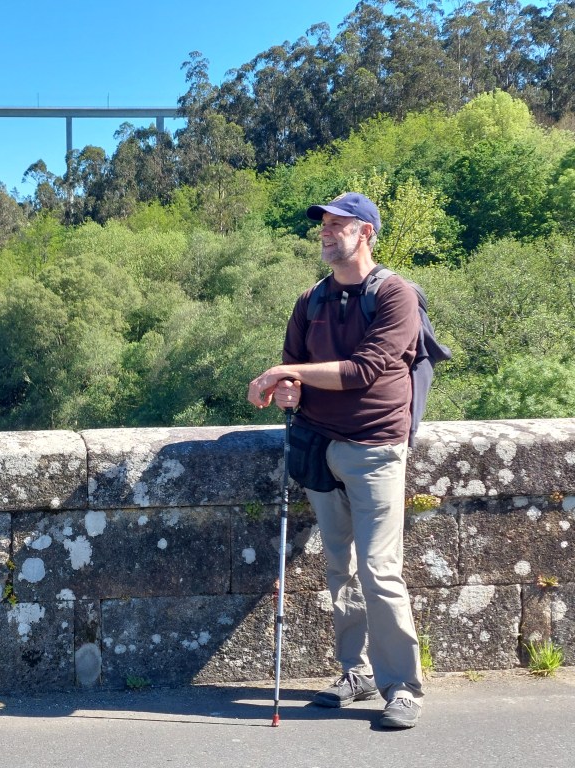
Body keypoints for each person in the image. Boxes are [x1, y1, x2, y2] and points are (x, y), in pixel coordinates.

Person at [246, 192, 424, 729]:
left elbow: (365, 370)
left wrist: (282, 372)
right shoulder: (310, 301)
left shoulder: (397, 296)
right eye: (322, 225)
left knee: (378, 570)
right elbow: (297, 375)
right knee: (338, 569)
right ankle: (356, 671)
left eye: (338, 225)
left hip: (374, 448)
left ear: (366, 233)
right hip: (319, 446)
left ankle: (403, 688)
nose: (325, 232)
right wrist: (286, 390)